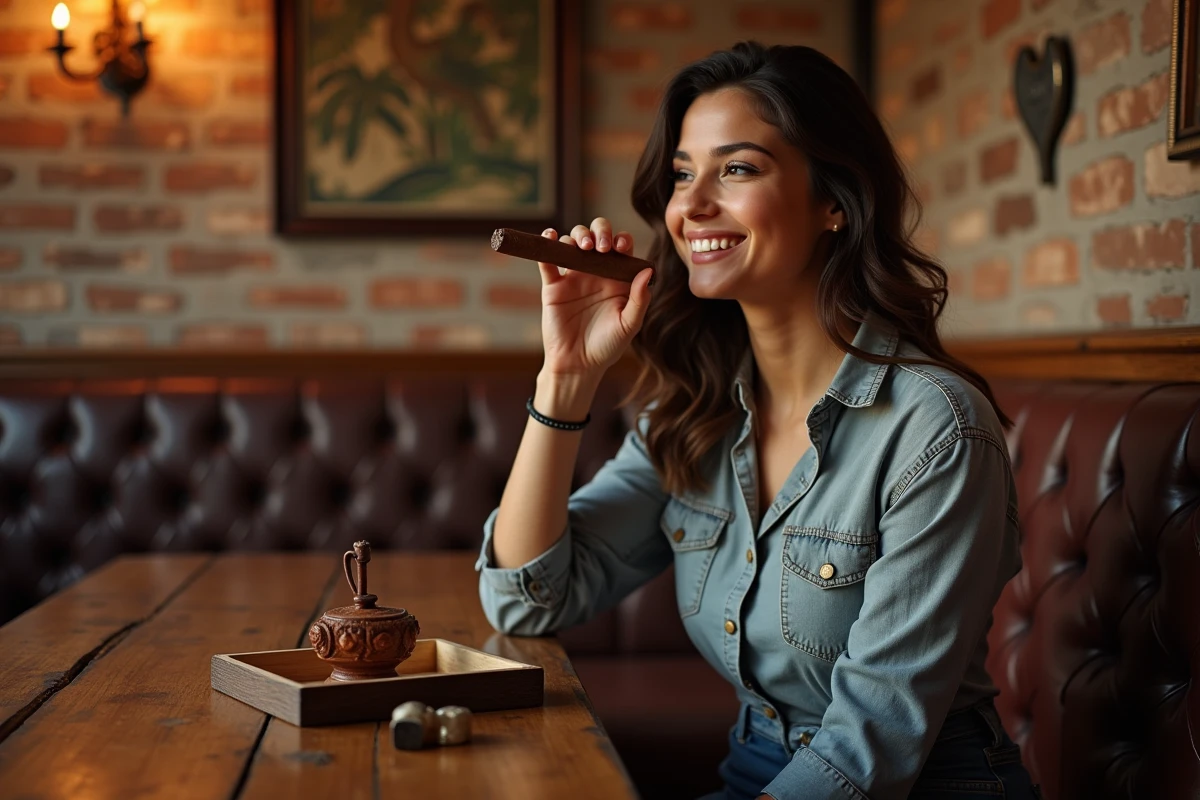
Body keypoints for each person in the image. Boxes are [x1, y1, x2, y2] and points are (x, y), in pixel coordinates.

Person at [475, 41, 1041, 800]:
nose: (691, 207)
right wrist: (566, 378)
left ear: (834, 200)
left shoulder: (935, 429)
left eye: (737, 169)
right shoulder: (695, 411)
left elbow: (869, 748)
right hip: (754, 775)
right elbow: (524, 598)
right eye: (683, 174)